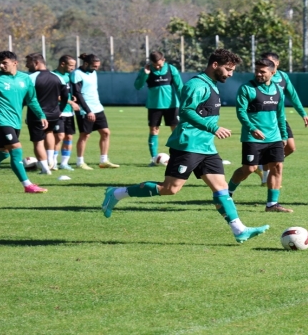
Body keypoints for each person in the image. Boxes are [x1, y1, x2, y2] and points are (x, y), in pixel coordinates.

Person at [101, 49, 269, 243]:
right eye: (228, 69)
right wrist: (212, 127)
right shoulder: (196, 85)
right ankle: (116, 193)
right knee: (170, 189)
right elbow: (186, 111)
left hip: (206, 147)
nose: (231, 74)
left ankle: (239, 230)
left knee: (221, 187)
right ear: (215, 65)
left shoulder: (212, 85)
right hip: (188, 145)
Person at [227, 58, 292, 213]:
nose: (258, 74)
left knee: (277, 167)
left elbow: (280, 115)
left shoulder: (277, 89)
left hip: (274, 137)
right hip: (252, 137)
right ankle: (227, 194)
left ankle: (272, 204)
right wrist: (251, 128)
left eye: (262, 71)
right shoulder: (247, 88)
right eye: (256, 71)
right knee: (249, 169)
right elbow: (241, 112)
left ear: (273, 72)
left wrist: (283, 135)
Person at [0, 51, 48, 193]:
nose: (2, 66)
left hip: (15, 121)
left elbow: (32, 99)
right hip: (0, 120)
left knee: (3, 153)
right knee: (16, 150)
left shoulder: (25, 79)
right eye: (0, 63)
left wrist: (41, 115)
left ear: (15, 62)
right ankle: (28, 185)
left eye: (5, 63)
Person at [256, 52, 308, 185]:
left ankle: (264, 165)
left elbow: (293, 96)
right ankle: (266, 176)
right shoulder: (259, 78)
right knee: (273, 150)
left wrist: (303, 113)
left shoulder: (283, 77)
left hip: (279, 119)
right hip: (264, 120)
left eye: (270, 62)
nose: (266, 66)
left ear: (277, 63)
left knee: (290, 147)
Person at [134, 50, 183, 165]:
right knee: (154, 130)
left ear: (164, 60)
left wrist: (184, 103)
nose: (157, 66)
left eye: (159, 64)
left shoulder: (171, 69)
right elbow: (138, 86)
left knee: (176, 131)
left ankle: (177, 157)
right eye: (155, 64)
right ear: (151, 62)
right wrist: (145, 74)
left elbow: (180, 87)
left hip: (172, 106)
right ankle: (154, 159)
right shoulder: (146, 70)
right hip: (154, 106)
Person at [72, 53, 119, 169]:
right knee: (85, 135)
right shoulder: (76, 74)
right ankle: (80, 162)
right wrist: (88, 111)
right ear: (86, 64)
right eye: (94, 66)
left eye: (98, 66)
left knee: (106, 132)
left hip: (98, 108)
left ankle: (103, 161)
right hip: (85, 110)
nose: (97, 68)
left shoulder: (93, 73)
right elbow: (77, 94)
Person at [25, 53, 68, 174]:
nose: (26, 65)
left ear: (36, 63)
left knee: (38, 141)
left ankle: (45, 169)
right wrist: (60, 110)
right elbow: (65, 96)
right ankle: (51, 161)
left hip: (37, 115)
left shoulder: (31, 78)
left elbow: (26, 97)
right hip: (54, 114)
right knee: (49, 132)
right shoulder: (57, 77)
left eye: (28, 62)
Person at [51, 55, 78, 171]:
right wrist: (71, 102)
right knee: (59, 136)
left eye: (74, 66)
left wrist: (72, 97)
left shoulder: (68, 76)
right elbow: (55, 96)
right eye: (71, 65)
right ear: (63, 64)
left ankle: (64, 163)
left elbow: (66, 92)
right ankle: (53, 162)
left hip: (69, 112)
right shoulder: (53, 76)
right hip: (58, 111)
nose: (73, 68)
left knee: (68, 136)